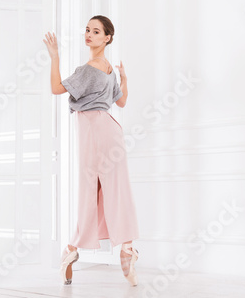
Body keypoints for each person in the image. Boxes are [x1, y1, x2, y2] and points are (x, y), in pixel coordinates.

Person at [43, 15, 140, 286]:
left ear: (107, 37)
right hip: (109, 128)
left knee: (91, 190)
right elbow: (121, 101)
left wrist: (54, 57)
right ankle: (125, 248)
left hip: (94, 130)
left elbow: (55, 88)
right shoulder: (107, 67)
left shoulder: (89, 68)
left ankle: (73, 250)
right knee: (113, 189)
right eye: (87, 30)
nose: (89, 35)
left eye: (96, 32)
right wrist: (124, 79)